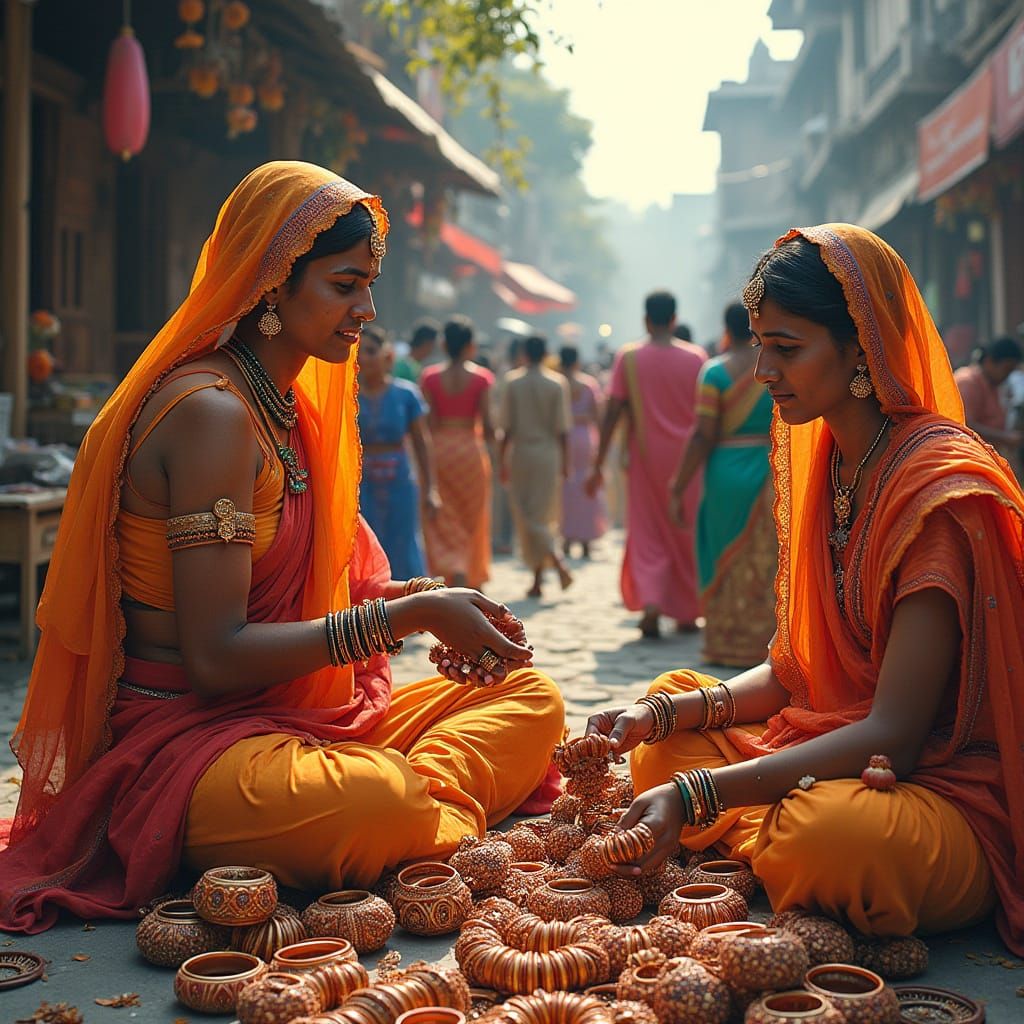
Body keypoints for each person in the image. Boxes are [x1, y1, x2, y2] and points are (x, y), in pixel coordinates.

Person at [0, 162, 564, 932]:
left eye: (369, 284)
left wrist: (425, 605)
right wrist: (409, 617)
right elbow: (216, 656)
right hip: (185, 742)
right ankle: (405, 810)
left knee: (530, 698)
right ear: (271, 283)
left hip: (289, 718)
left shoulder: (282, 406)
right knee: (373, 802)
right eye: (343, 285)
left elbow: (314, 588)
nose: (366, 309)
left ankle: (411, 810)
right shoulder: (213, 416)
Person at [587, 225, 1024, 955]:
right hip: (838, 749)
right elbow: (795, 671)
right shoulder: (834, 461)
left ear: (861, 349)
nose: (761, 370)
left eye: (785, 349)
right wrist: (658, 713)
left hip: (939, 791)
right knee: (667, 722)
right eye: (759, 344)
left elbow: (895, 735)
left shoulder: (935, 490)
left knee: (838, 839)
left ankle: (757, 825)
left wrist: (702, 795)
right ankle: (768, 818)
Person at [588, 290, 707, 638]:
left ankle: (652, 603)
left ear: (645, 319)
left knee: (647, 532)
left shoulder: (629, 357)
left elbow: (613, 412)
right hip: (688, 460)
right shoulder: (696, 358)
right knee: (684, 529)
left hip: (645, 458)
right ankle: (687, 612)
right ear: (674, 319)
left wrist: (599, 463)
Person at [669, 302, 776, 667]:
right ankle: (767, 644)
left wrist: (678, 485)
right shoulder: (775, 367)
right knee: (768, 559)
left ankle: (726, 642)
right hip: (771, 469)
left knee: (721, 552)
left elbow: (702, 435)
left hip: (725, 473)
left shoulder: (714, 373)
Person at [357, 325, 439, 579]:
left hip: (400, 479)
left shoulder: (407, 394)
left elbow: (421, 443)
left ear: (387, 355)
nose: (364, 358)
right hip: (361, 480)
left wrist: (431, 490)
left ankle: (410, 607)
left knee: (403, 541)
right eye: (358, 352)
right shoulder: (347, 394)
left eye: (371, 351)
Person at [420, 316, 495, 589]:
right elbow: (487, 425)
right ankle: (468, 569)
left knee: (445, 515)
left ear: (443, 343)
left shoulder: (430, 377)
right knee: (472, 515)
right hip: (470, 450)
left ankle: (453, 566)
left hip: (440, 449)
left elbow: (428, 422)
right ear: (470, 345)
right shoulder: (482, 378)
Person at [499, 335, 574, 598]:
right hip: (548, 455)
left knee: (524, 515)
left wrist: (501, 460)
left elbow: (505, 429)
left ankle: (543, 573)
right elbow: (563, 430)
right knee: (542, 516)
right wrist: (566, 462)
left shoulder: (512, 382)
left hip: (520, 453)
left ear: (524, 354)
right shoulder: (557, 384)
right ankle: (551, 563)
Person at [559, 344, 607, 560]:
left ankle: (567, 537)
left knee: (566, 487)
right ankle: (587, 539)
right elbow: (598, 416)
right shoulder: (589, 384)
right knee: (586, 485)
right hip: (585, 438)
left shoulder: (558, 384)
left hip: (564, 439)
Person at [953, 335, 1022, 460]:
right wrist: (1005, 437)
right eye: (1006, 369)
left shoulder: (992, 385)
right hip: (965, 458)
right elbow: (966, 425)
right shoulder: (968, 381)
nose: (1007, 376)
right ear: (989, 361)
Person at [393, 318, 440, 383]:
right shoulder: (404, 365)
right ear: (427, 343)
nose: (433, 350)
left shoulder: (413, 364)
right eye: (433, 345)